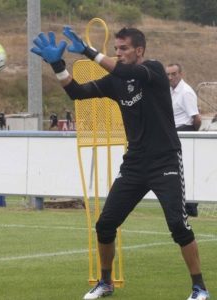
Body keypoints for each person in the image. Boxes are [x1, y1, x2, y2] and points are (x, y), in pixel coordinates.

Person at [31, 28, 210, 300]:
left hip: (165, 161)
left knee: (178, 225)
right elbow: (78, 93)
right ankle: (105, 283)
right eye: (116, 48)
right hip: (135, 164)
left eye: (123, 48)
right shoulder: (116, 79)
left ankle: (199, 288)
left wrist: (89, 52)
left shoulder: (153, 70)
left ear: (139, 50)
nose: (118, 53)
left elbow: (127, 73)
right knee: (105, 225)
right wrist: (58, 66)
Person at [166, 63, 201, 217]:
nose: (170, 77)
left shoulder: (186, 92)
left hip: (184, 131)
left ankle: (191, 206)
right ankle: (181, 204)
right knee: (176, 170)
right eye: (168, 74)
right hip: (174, 132)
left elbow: (196, 118)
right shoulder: (170, 91)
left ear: (181, 74)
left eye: (174, 74)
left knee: (184, 170)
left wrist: (191, 134)